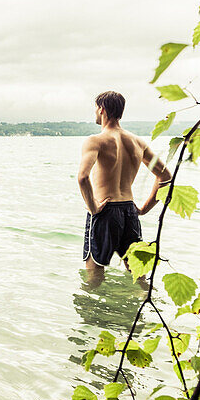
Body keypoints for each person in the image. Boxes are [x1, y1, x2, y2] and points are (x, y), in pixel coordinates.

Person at [77, 91, 172, 287]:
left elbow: (83, 177)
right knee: (138, 275)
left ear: (101, 109)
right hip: (129, 212)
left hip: (104, 211)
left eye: (96, 108)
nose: (95, 112)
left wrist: (93, 207)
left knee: (94, 276)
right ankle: (142, 312)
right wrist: (144, 209)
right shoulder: (138, 142)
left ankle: (94, 317)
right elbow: (165, 177)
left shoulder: (96, 141)